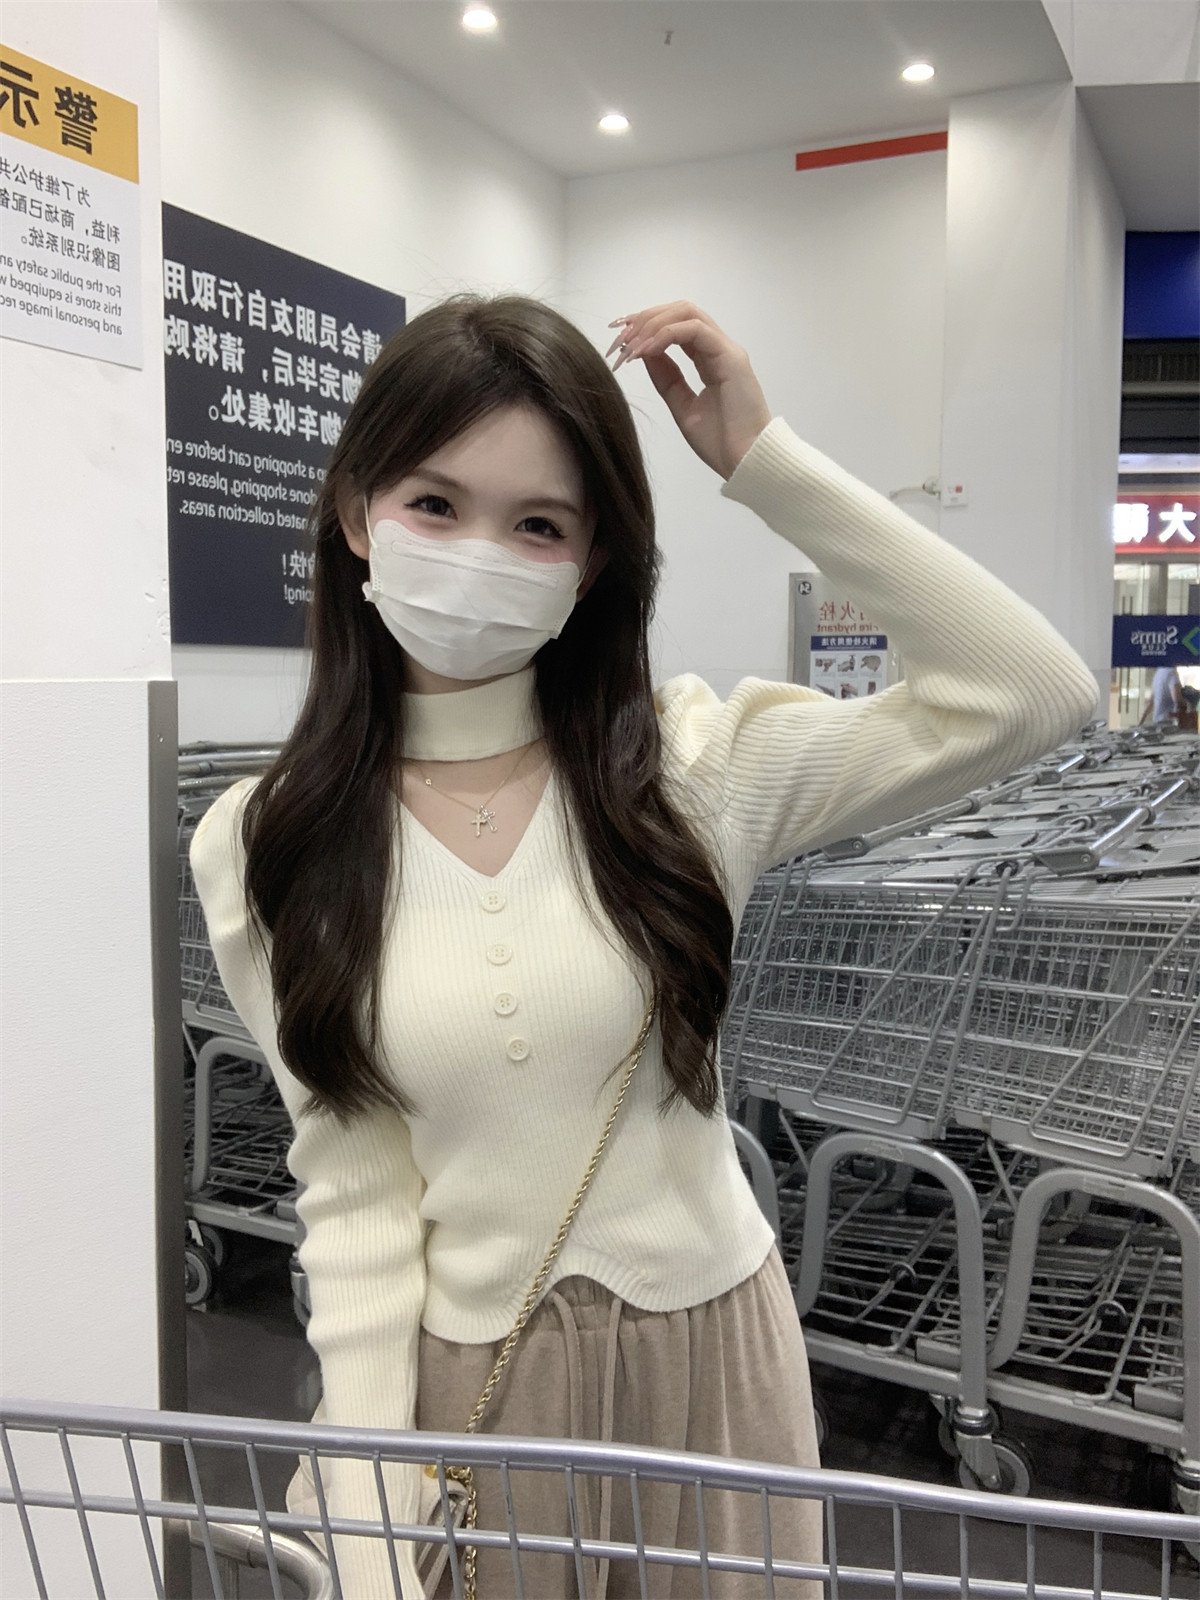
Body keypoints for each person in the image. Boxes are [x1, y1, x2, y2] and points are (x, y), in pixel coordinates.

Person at [191, 296, 1097, 1598]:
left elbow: (1032, 692)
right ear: (354, 514)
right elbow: (355, 1192)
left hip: (714, 1368)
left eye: (538, 524)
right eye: (434, 504)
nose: (481, 553)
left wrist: (764, 461)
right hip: (478, 1393)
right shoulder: (266, 841)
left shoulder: (686, 768)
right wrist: (369, 1507)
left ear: (591, 561)